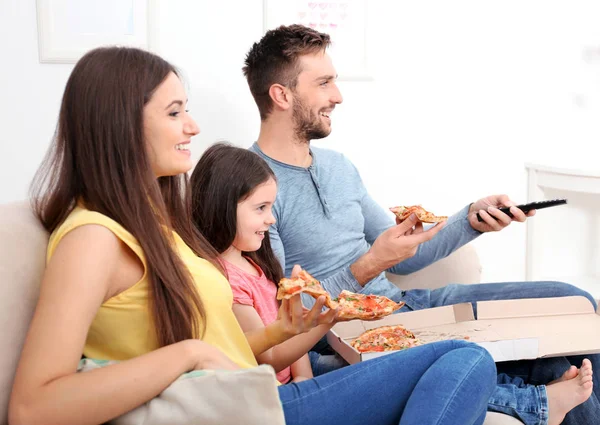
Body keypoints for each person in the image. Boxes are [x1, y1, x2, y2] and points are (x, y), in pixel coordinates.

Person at [8, 46, 499, 425]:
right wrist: (188, 354)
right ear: (121, 123)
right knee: (467, 359)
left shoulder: (155, 225)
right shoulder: (93, 238)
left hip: (256, 391)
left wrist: (287, 331)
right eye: (175, 112)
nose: (193, 125)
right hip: (247, 408)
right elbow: (32, 408)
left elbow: (225, 342)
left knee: (473, 355)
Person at [241, 24, 598, 425]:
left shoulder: (339, 167)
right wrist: (368, 266)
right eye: (324, 83)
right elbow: (281, 319)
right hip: (349, 335)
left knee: (578, 302)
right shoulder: (250, 192)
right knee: (553, 368)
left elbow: (406, 257)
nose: (337, 96)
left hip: (411, 305)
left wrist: (471, 219)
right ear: (282, 95)